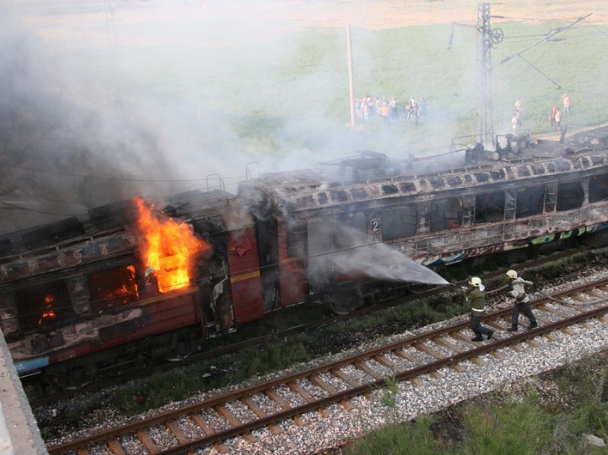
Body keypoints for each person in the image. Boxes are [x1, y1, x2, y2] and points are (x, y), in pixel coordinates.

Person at [466, 277, 494, 341]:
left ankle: (488, 332)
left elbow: (467, 299)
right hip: (479, 310)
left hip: (477, 312)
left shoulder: (473, 293)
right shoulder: (481, 289)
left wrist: (467, 291)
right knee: (474, 324)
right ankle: (479, 337)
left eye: (471, 284)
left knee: (475, 326)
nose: (470, 284)